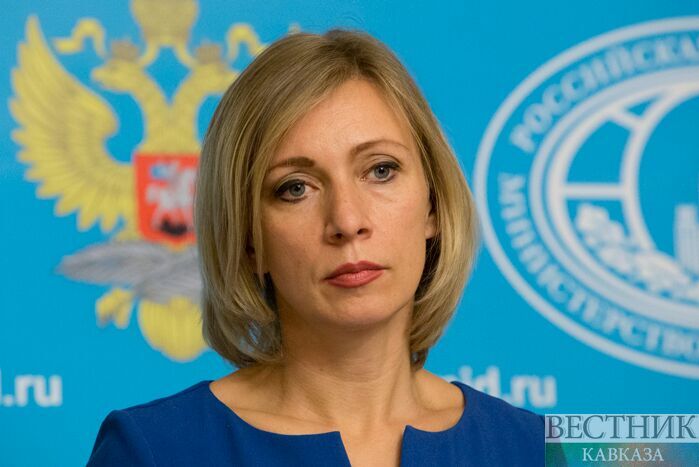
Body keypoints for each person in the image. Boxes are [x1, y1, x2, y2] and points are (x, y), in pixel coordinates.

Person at [87, 28, 544, 466]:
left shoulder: (553, 448)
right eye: (295, 188)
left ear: (433, 205)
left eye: (381, 170)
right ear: (249, 241)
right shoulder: (151, 449)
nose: (347, 221)